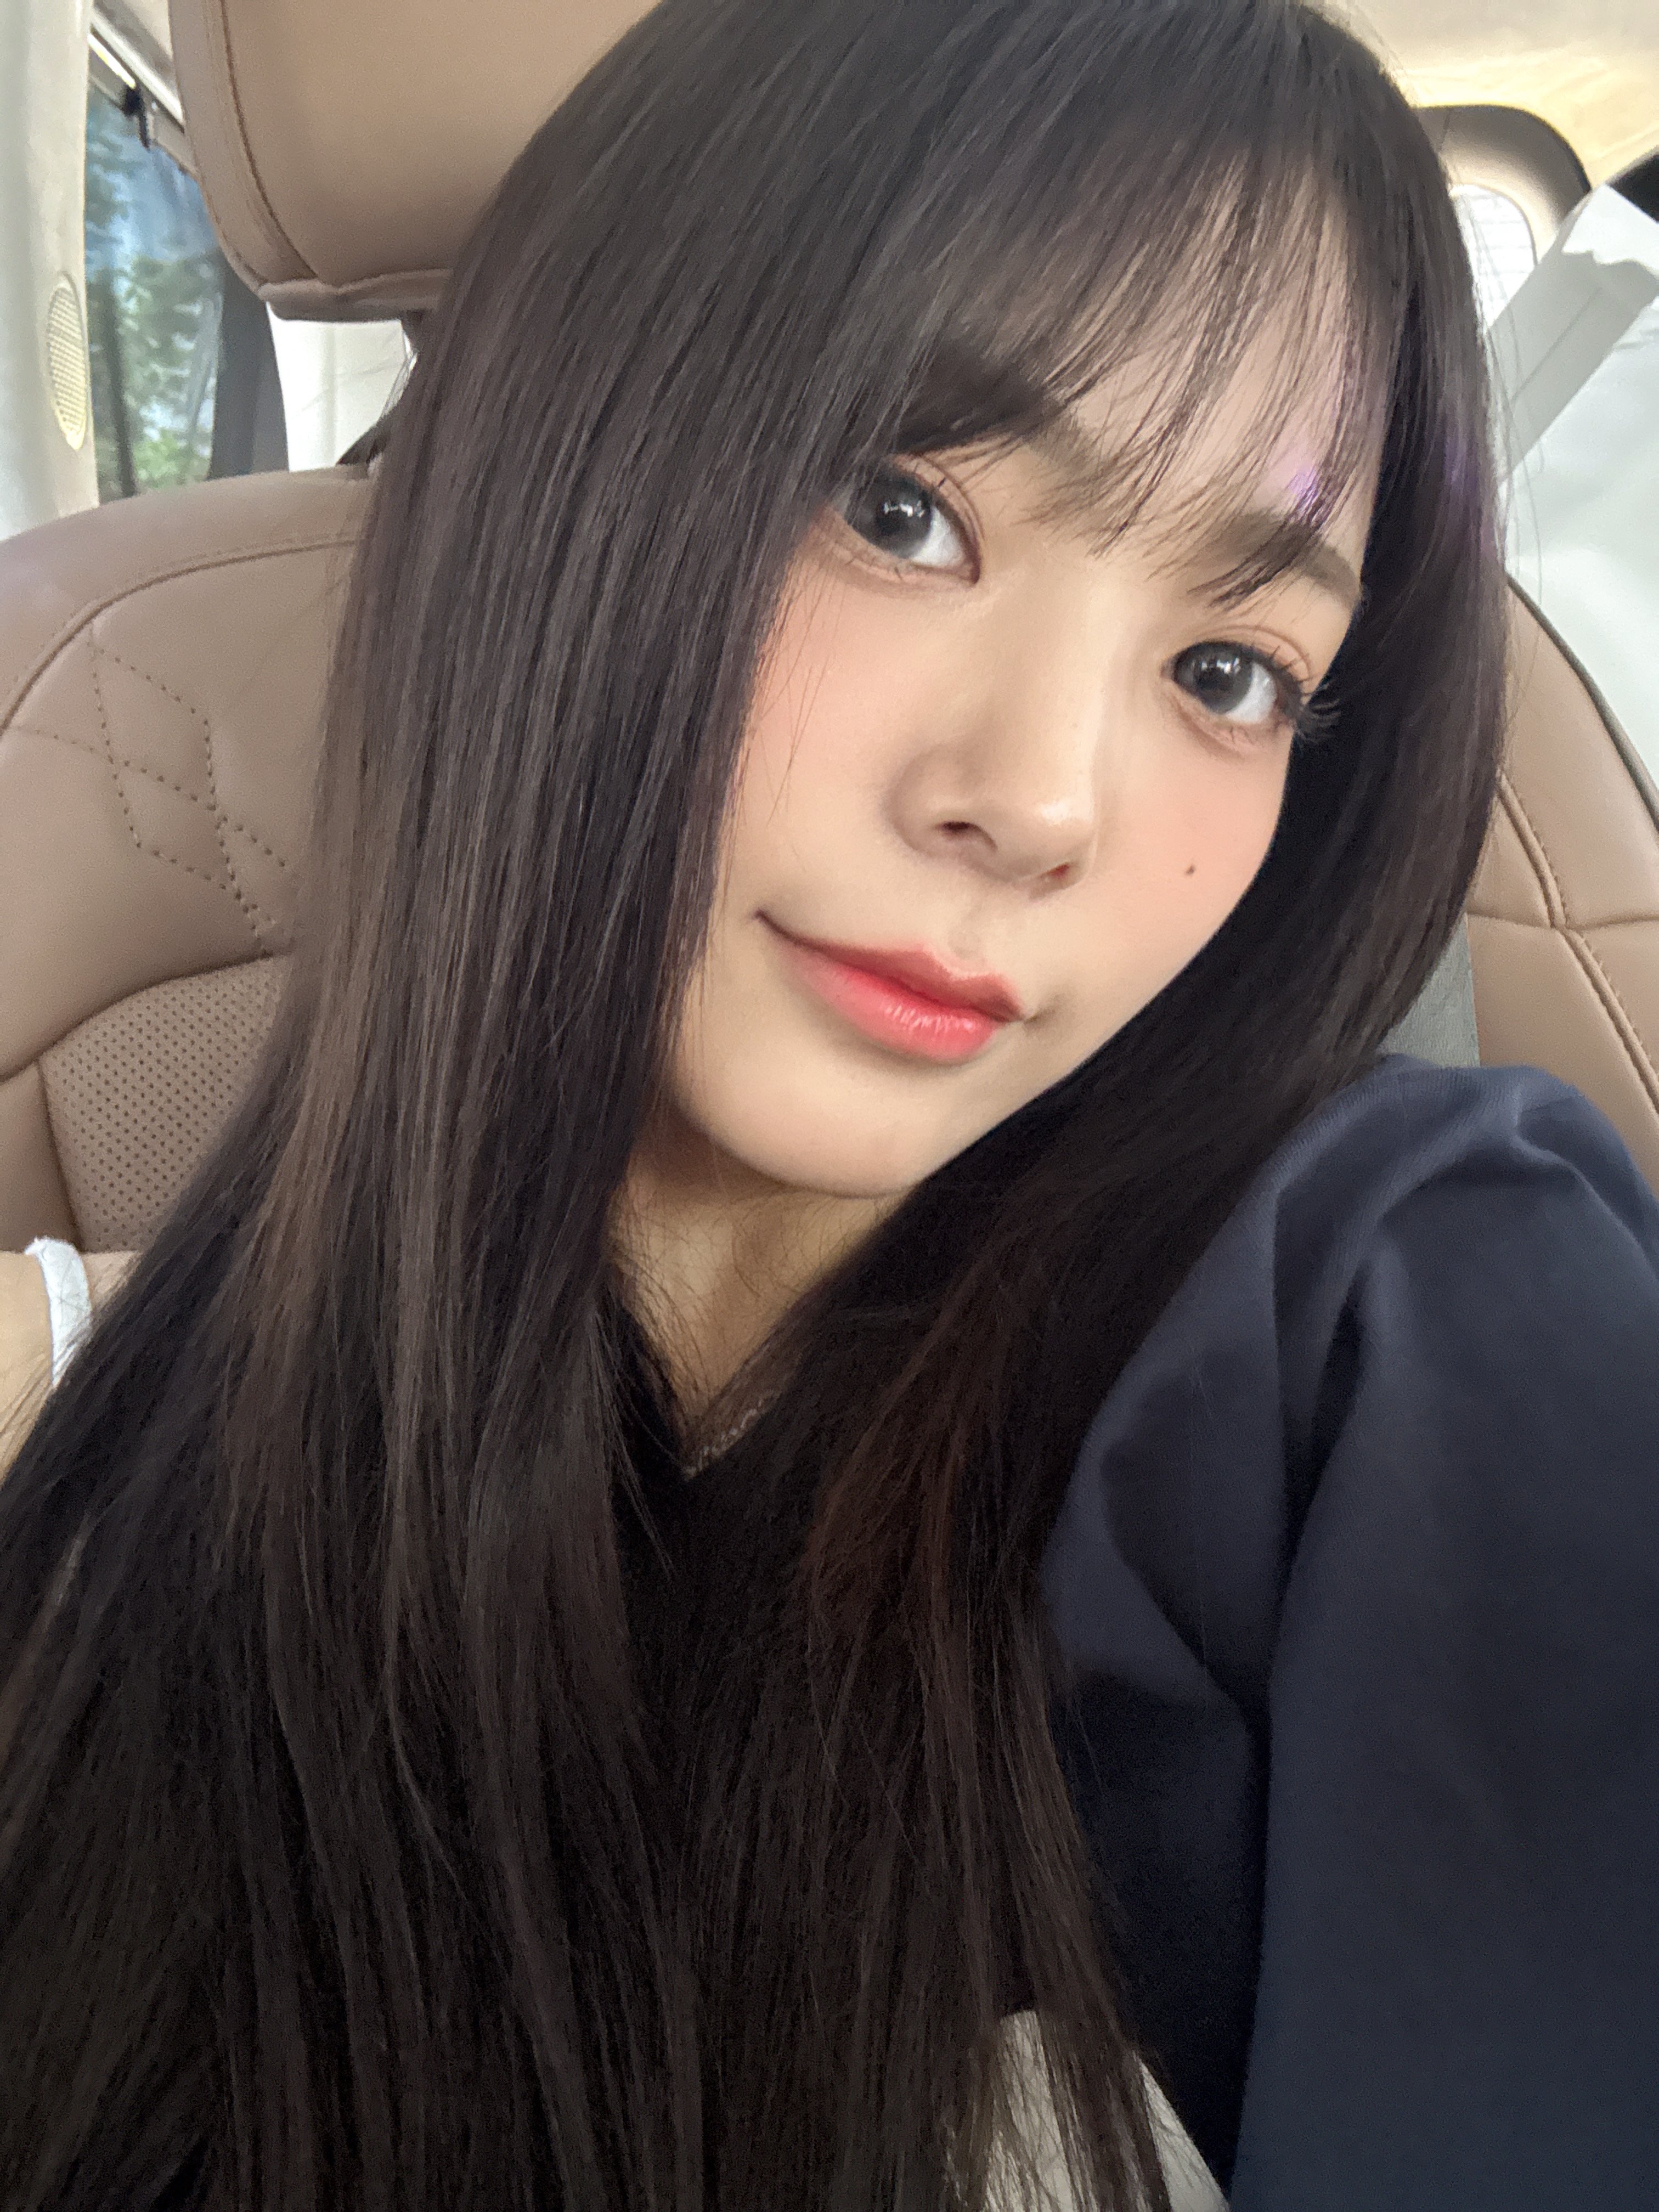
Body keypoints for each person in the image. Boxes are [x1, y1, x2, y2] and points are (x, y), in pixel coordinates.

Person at [1, 0, 1656, 2206]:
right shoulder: (62, 1421)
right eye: (902, 509)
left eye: (1228, 670)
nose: (1042, 801)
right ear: (553, 470)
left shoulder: (1407, 1312)